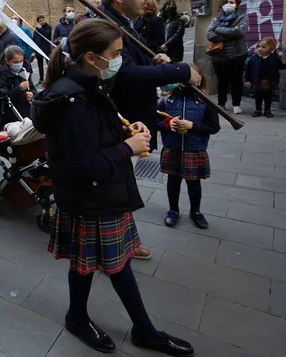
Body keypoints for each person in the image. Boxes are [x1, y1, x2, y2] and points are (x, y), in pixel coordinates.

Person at [31, 19, 194, 356]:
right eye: (116, 53)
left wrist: (124, 132)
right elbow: (83, 164)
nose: (120, 60)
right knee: (109, 264)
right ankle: (137, 329)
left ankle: (88, 318)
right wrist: (128, 148)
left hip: (102, 193)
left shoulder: (89, 81)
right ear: (92, 56)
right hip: (91, 194)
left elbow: (97, 132)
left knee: (91, 262)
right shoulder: (73, 98)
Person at [100, 0, 201, 261]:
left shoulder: (124, 24)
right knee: (116, 190)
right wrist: (181, 70)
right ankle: (112, 246)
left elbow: (132, 63)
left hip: (130, 121)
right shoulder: (109, 27)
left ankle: (123, 242)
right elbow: (127, 74)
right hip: (117, 123)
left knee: (122, 188)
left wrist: (156, 60)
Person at [158, 65, 220, 230]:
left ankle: (196, 212)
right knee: (173, 181)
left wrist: (193, 125)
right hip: (173, 147)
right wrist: (167, 123)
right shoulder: (167, 99)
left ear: (199, 77)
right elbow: (155, 120)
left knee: (194, 183)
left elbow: (214, 126)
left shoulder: (204, 100)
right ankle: (173, 210)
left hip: (195, 149)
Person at [206, 0, 249, 114]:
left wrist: (218, 30)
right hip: (219, 55)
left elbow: (240, 32)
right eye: (226, 2)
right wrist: (229, 33)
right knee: (222, 81)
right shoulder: (217, 18)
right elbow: (209, 34)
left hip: (236, 55)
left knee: (236, 81)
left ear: (237, 4)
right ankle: (221, 103)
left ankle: (236, 104)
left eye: (232, 2)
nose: (229, 5)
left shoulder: (243, 17)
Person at [245, 37, 286, 118]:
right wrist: (247, 80)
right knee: (258, 96)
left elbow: (280, 66)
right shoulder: (254, 58)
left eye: (263, 47)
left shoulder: (274, 58)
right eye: (258, 47)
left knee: (268, 97)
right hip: (257, 81)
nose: (260, 49)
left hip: (269, 81)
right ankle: (258, 110)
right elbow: (248, 69)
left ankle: (267, 111)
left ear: (271, 48)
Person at [0, 45, 37, 119]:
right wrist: (19, 89)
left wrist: (32, 94)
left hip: (27, 113)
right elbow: (3, 98)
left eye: (21, 61)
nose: (19, 64)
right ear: (7, 61)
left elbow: (33, 89)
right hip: (11, 116)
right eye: (15, 62)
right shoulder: (0, 76)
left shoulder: (23, 71)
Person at [33, 15, 53, 84]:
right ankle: (41, 80)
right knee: (40, 66)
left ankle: (51, 78)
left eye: (43, 20)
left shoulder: (48, 27)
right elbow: (34, 39)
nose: (42, 22)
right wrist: (34, 51)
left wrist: (40, 29)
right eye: (40, 21)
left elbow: (47, 35)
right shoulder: (36, 29)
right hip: (39, 50)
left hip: (47, 50)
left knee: (49, 65)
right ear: (38, 22)